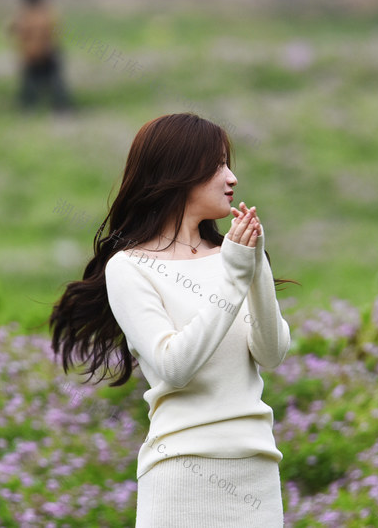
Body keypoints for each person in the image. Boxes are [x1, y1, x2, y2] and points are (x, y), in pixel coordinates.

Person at [50, 113, 293, 527]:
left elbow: (271, 354)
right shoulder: (129, 267)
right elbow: (174, 367)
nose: (231, 177)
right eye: (217, 166)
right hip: (182, 477)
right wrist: (236, 277)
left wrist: (256, 267)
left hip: (257, 472)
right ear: (178, 172)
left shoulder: (231, 257)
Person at [7, 0, 72, 111]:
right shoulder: (49, 12)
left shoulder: (23, 15)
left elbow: (11, 31)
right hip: (46, 53)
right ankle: (60, 108)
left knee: (35, 84)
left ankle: (30, 108)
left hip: (36, 54)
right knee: (54, 84)